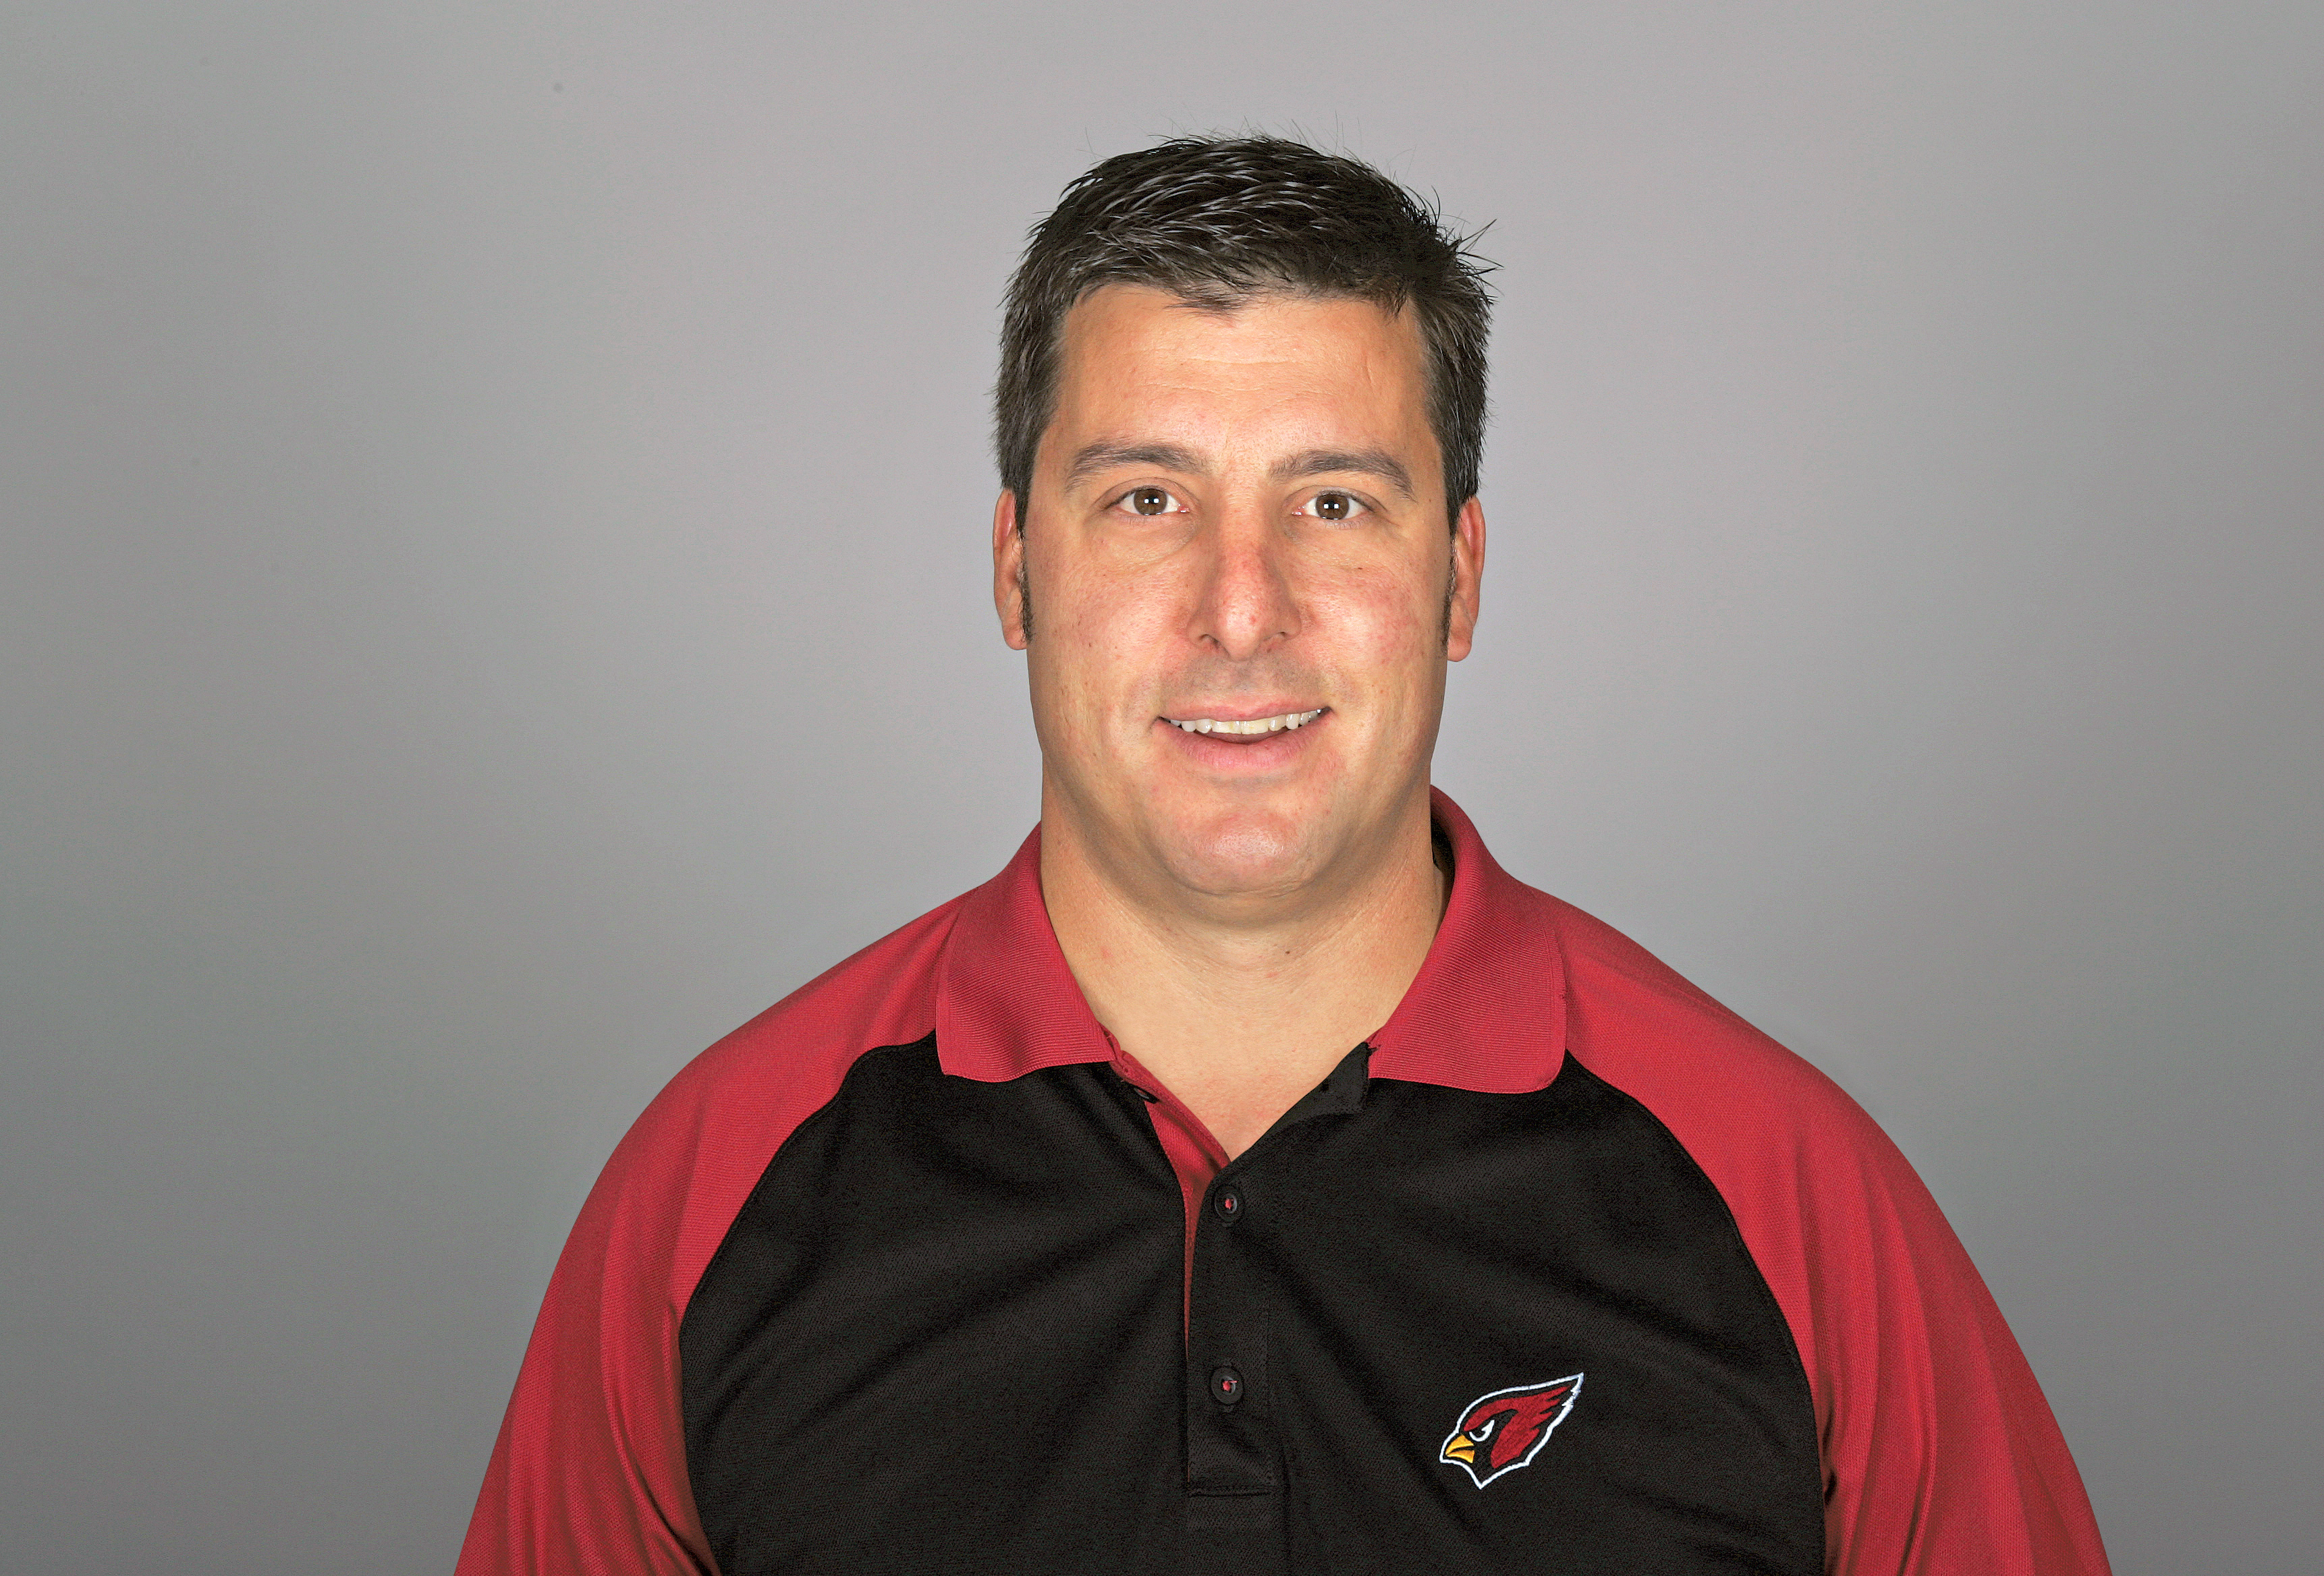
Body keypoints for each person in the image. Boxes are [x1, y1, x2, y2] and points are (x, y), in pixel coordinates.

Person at [455, 136, 2111, 1575]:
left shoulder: (1791, 1197)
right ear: (1017, 569)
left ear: (1459, 577)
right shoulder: (711, 1192)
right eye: (1145, 500)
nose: (1240, 611)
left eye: (1334, 503)